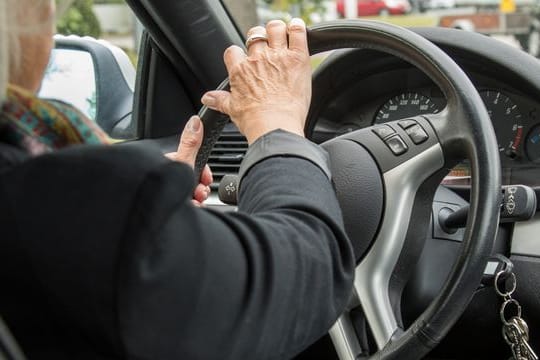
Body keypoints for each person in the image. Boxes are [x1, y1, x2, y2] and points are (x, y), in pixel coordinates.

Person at [0, 1, 355, 359]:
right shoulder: (60, 202)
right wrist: (277, 125)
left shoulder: (54, 205)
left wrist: (161, 229)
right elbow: (304, 278)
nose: (49, 12)